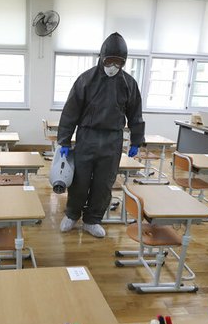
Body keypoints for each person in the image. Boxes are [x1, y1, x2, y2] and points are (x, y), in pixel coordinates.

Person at [56, 32, 145, 238]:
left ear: (124, 62)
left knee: (104, 183)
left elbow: (135, 113)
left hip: (112, 140)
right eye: (109, 61)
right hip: (87, 137)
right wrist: (64, 140)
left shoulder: (128, 84)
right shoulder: (86, 80)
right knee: (80, 180)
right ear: (101, 57)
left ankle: (92, 219)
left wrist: (136, 140)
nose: (113, 66)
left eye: (118, 62)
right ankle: (71, 214)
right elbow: (70, 111)